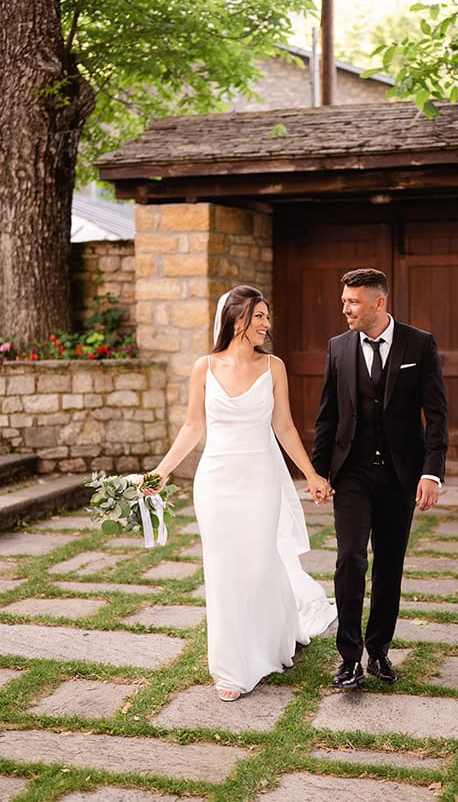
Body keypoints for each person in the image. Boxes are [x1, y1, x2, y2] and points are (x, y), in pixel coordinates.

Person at [147, 285, 336, 702]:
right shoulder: (204, 367)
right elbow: (193, 426)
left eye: (268, 317)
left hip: (260, 479)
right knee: (222, 570)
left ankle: (269, 641)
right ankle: (232, 668)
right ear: (237, 320)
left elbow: (283, 426)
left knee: (256, 564)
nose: (267, 324)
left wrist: (311, 474)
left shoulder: (274, 367)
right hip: (216, 482)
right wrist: (161, 472)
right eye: (260, 316)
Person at [312, 268, 448, 689]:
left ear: (378, 303)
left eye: (353, 301)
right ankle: (349, 657)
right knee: (350, 558)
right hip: (351, 473)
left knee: (390, 564)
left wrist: (432, 472)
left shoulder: (419, 344)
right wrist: (319, 471)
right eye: (344, 301)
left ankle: (379, 652)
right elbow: (328, 415)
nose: (345, 309)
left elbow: (437, 414)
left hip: (399, 476)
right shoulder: (338, 347)